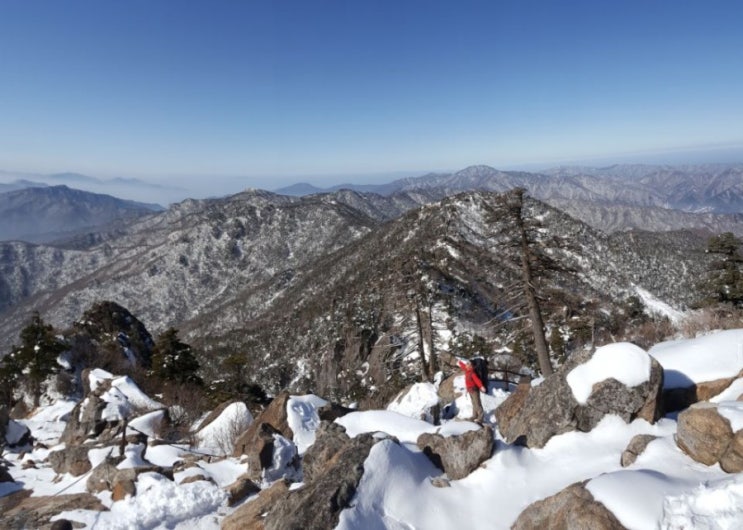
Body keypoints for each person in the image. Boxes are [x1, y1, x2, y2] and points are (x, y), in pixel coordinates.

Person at [457, 358, 486, 423]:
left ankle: (481, 417)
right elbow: (464, 366)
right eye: (467, 363)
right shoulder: (467, 370)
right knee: (474, 403)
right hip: (470, 390)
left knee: (477, 403)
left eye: (468, 363)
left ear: (471, 366)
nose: (466, 364)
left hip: (474, 390)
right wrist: (460, 362)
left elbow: (477, 381)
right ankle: (474, 415)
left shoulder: (472, 373)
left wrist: (481, 387)